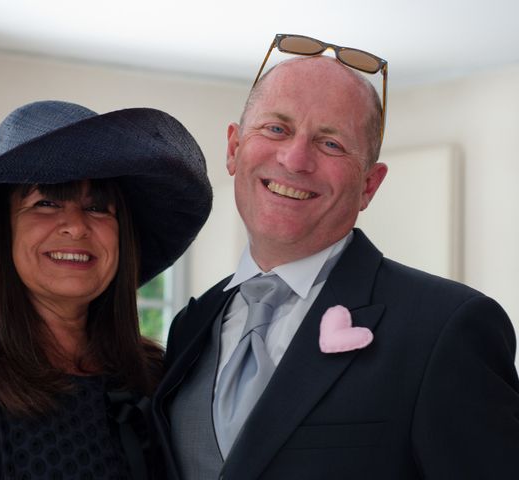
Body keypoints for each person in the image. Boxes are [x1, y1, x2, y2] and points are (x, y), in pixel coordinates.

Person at [152, 35, 519, 479]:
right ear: (233, 148)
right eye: (276, 129)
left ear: (369, 184)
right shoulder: (190, 326)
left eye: (330, 143)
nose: (295, 158)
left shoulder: (447, 327)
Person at [0, 100, 211, 479]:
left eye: (99, 207)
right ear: (0, 232)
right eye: (47, 202)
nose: (76, 226)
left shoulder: (155, 376)